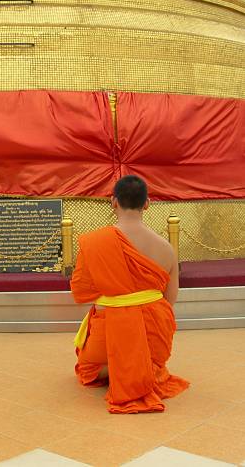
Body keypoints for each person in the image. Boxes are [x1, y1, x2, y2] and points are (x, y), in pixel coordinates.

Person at [71, 175, 189, 413]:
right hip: (153, 332)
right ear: (147, 204)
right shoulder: (166, 249)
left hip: (108, 329)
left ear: (114, 202)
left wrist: (116, 295)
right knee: (151, 361)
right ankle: (143, 366)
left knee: (87, 371)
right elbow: (170, 299)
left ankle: (118, 367)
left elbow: (81, 291)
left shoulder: (96, 242)